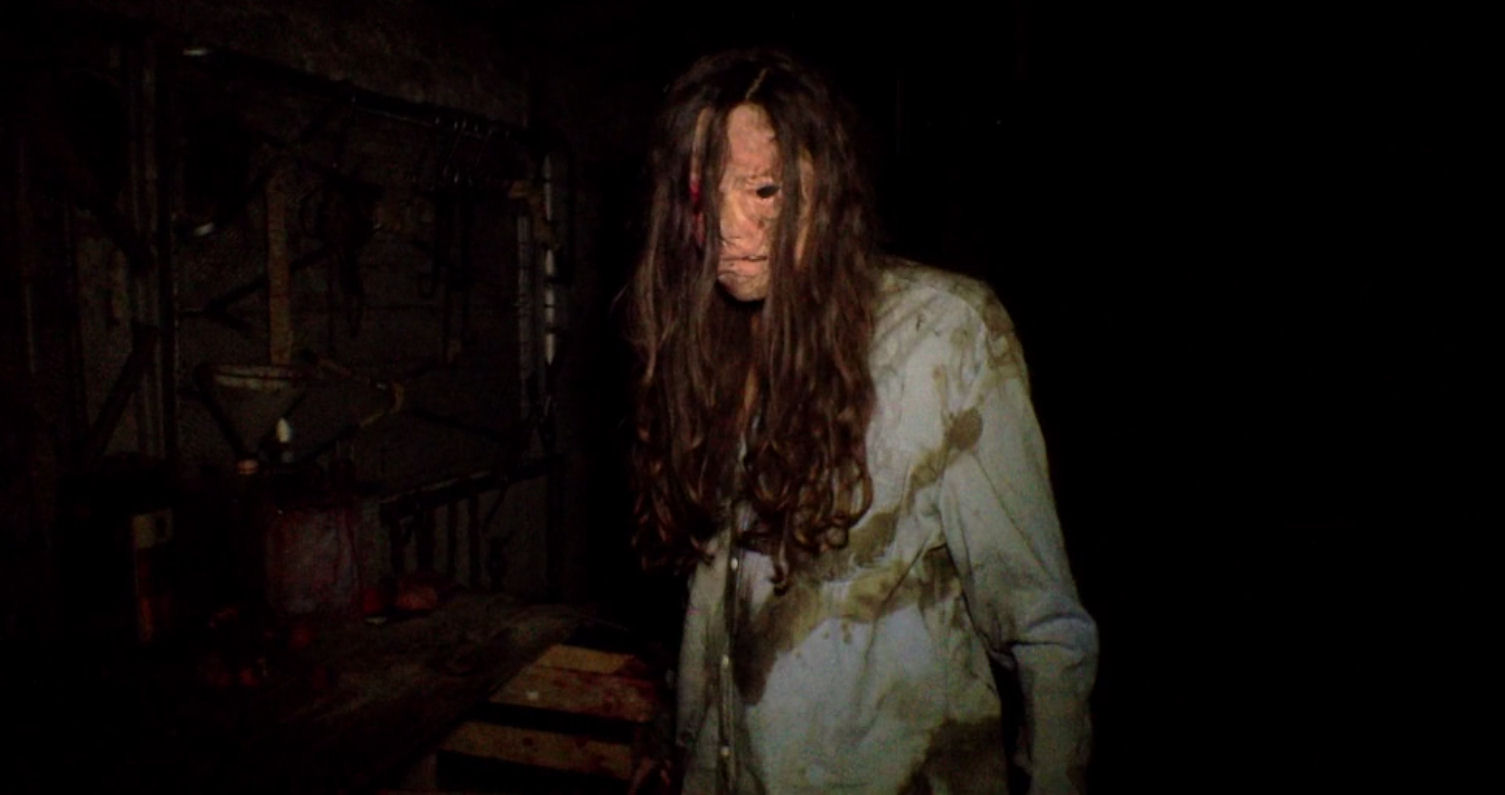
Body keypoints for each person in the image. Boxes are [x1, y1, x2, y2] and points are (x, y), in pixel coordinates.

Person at [624, 49, 1097, 794]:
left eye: (765, 190)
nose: (728, 231)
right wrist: (678, 733)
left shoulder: (945, 336)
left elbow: (1045, 631)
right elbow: (713, 607)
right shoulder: (703, 344)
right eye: (699, 195)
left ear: (826, 188)